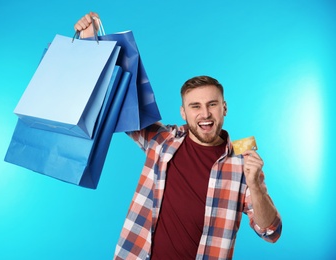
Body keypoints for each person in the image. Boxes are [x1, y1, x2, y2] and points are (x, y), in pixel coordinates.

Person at [75, 13, 282, 260]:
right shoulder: (163, 140)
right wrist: (92, 43)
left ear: (224, 108)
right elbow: (118, 100)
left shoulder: (241, 160)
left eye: (212, 104)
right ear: (183, 112)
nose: (205, 114)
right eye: (195, 106)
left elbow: (270, 232)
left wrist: (256, 185)